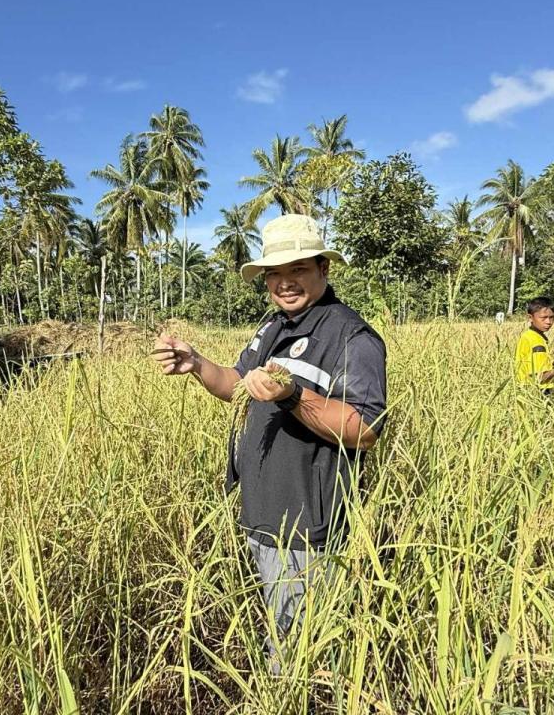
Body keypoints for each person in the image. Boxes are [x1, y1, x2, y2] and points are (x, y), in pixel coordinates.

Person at [152, 214, 387, 663]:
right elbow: (237, 385)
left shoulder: (351, 336)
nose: (284, 282)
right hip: (262, 515)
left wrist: (293, 395)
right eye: (274, 273)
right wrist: (197, 364)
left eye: (298, 269)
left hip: (306, 527)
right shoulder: (274, 327)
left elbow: (365, 429)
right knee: (280, 633)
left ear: (323, 268)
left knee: (299, 653)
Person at [514, 297, 554, 394]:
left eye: (551, 317)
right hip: (537, 392)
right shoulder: (535, 341)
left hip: (530, 390)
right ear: (530, 318)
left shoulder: (532, 336)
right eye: (543, 318)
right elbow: (540, 377)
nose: (548, 322)